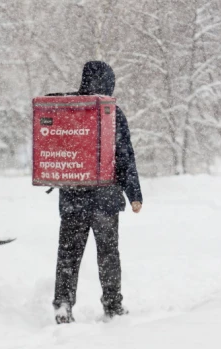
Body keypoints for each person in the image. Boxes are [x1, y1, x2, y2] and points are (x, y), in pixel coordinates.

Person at [50, 61, 143, 324]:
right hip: (105, 199)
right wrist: (134, 193)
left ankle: (63, 304)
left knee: (68, 253)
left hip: (73, 198)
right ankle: (113, 306)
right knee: (108, 254)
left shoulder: (68, 109)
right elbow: (125, 156)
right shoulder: (111, 112)